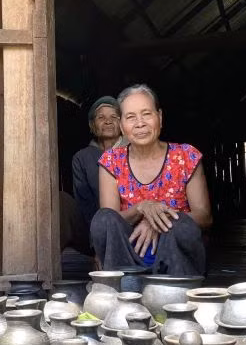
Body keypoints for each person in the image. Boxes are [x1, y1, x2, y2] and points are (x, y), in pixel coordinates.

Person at [91, 84, 212, 276]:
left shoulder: (186, 155)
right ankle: (126, 282)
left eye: (146, 114)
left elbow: (204, 217)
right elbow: (110, 219)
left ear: (160, 117)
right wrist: (142, 207)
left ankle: (174, 286)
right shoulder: (111, 161)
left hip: (176, 256)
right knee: (102, 218)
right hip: (128, 254)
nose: (140, 123)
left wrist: (157, 220)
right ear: (122, 126)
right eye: (131, 117)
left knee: (181, 224)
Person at [72, 96, 122, 228]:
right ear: (92, 125)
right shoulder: (82, 158)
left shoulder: (134, 150)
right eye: (101, 117)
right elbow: (85, 204)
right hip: (99, 227)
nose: (108, 122)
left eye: (114, 117)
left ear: (122, 123)